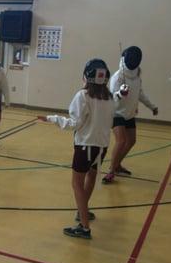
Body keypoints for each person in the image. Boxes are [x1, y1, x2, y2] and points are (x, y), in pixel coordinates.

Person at [38, 59, 115, 239]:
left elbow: (74, 124)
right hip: (102, 146)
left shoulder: (83, 95)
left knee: (76, 183)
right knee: (91, 176)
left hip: (85, 145)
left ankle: (84, 227)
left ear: (86, 76)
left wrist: (51, 118)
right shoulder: (109, 97)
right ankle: (83, 212)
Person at [102, 46, 158, 184]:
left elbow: (140, 93)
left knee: (131, 141)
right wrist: (120, 94)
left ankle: (117, 164)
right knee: (121, 141)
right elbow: (111, 99)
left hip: (129, 114)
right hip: (116, 113)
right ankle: (111, 171)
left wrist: (152, 106)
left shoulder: (137, 77)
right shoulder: (118, 77)